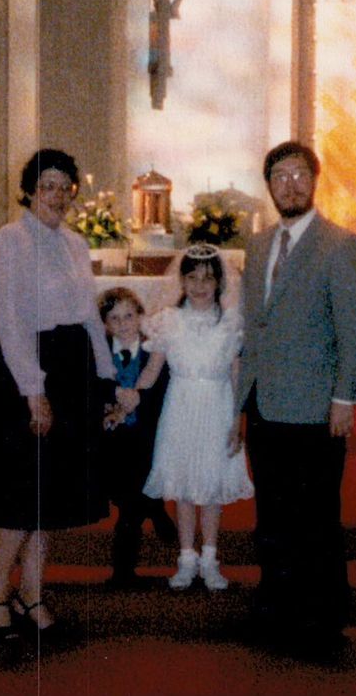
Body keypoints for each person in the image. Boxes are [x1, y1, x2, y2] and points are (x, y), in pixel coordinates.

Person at [236, 141, 356, 659]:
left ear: (314, 182)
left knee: (315, 515)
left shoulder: (340, 245)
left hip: (316, 404)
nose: (289, 185)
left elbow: (355, 326)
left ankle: (320, 617)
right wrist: (238, 405)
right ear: (268, 185)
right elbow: (255, 328)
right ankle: (275, 605)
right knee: (271, 513)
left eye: (299, 175)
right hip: (266, 403)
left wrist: (345, 397)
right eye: (279, 176)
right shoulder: (257, 245)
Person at [0, 149, 115, 647]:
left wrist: (107, 381)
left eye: (64, 187)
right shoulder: (9, 242)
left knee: (48, 494)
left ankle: (31, 594)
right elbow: (8, 322)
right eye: (47, 185)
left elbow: (89, 319)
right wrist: (33, 391)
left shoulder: (76, 244)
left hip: (70, 369)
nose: (56, 195)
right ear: (30, 189)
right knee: (20, 493)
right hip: (24, 371)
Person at [122, 244, 254, 591]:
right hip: (180, 406)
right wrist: (131, 394)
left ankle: (210, 559)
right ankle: (186, 558)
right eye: (192, 278)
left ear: (219, 282)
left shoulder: (231, 322)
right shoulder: (169, 320)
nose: (199, 286)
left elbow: (237, 374)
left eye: (207, 279)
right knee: (182, 487)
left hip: (217, 405)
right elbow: (153, 369)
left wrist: (237, 418)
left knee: (210, 486)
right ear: (181, 280)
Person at [98, 287, 177, 588]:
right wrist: (108, 407)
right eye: (114, 318)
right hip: (113, 438)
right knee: (124, 494)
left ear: (141, 317)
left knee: (130, 506)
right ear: (105, 323)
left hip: (146, 435)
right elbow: (95, 386)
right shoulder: (100, 351)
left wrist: (139, 400)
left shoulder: (153, 350)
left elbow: (161, 391)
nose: (123, 324)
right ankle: (155, 509)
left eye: (129, 316)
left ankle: (123, 570)